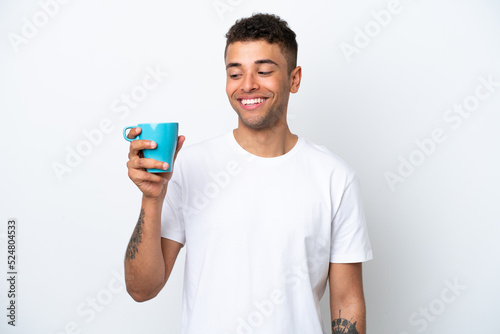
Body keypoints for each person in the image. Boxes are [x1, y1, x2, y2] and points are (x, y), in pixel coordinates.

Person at [124, 13, 372, 334]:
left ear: (294, 79)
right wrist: (151, 199)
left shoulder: (335, 178)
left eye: (264, 71)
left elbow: (347, 300)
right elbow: (142, 289)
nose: (248, 85)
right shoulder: (189, 166)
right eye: (235, 73)